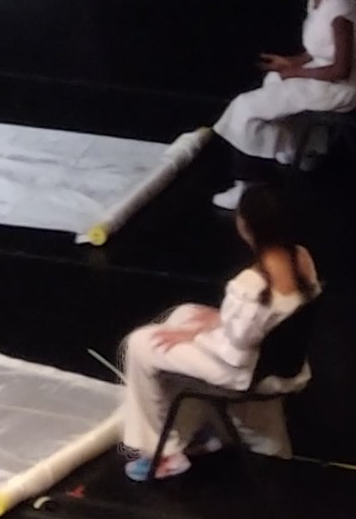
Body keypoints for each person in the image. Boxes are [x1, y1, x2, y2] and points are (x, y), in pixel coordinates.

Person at [119, 183, 317, 479]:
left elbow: (235, 352)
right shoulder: (301, 258)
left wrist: (194, 336)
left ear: (245, 226)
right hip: (279, 361)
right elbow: (264, 321)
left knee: (141, 344)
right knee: (186, 312)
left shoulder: (249, 286)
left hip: (244, 370)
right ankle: (193, 428)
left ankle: (164, 453)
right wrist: (212, 321)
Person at [211, 0, 356, 208]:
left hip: (340, 88)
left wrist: (295, 72)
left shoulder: (340, 10)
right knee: (272, 80)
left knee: (245, 107)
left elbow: (340, 69)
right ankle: (302, 149)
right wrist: (289, 63)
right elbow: (319, 50)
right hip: (328, 78)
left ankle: (247, 185)